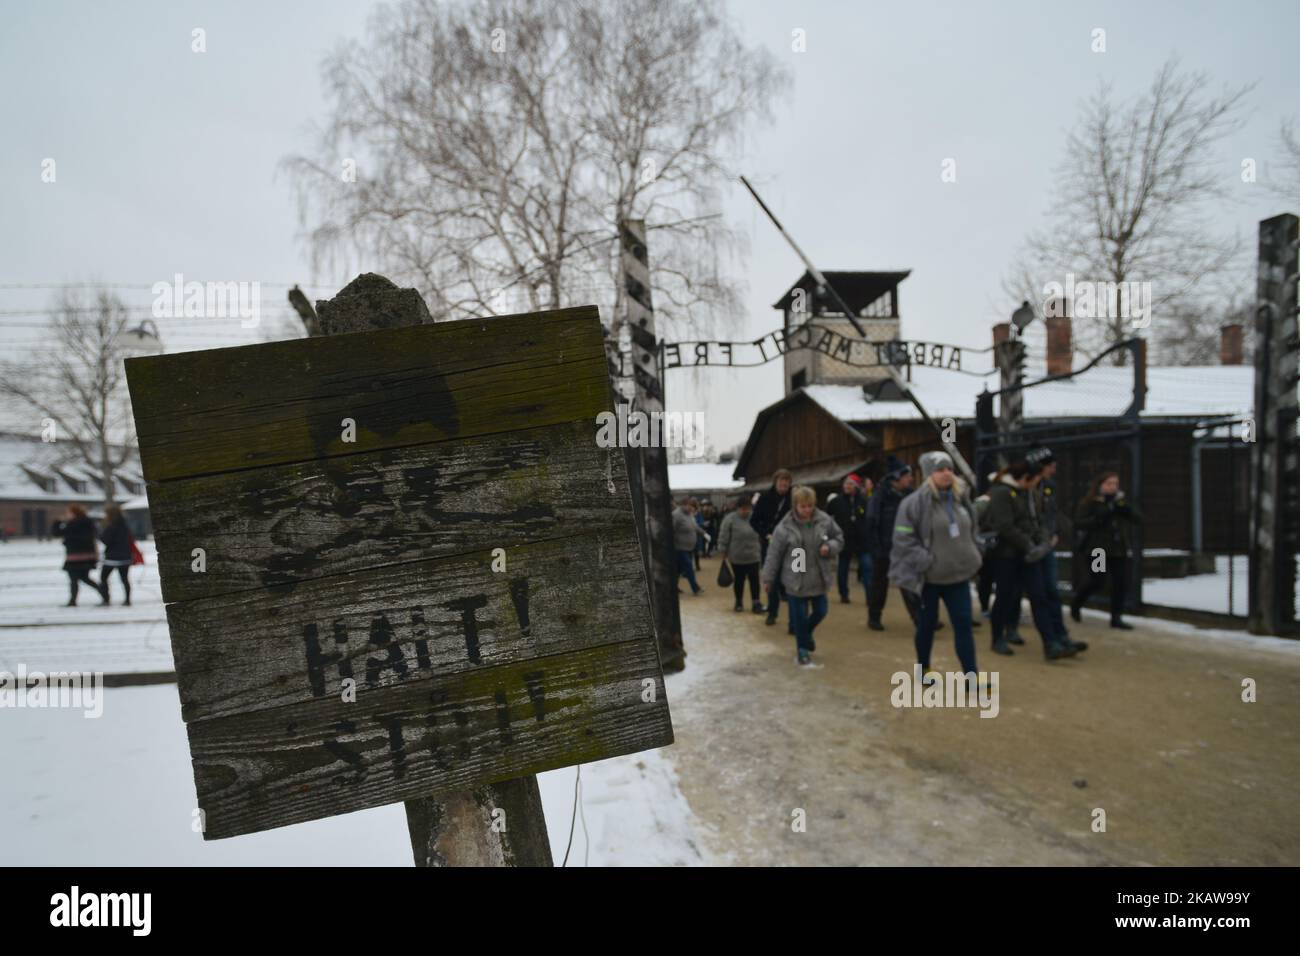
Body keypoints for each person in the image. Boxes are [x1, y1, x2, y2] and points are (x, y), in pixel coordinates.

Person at [889, 451, 984, 683]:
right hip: (928, 580)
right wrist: (926, 561)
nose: (947, 473)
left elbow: (972, 529)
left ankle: (971, 678)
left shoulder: (962, 498)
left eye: (950, 469)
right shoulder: (912, 504)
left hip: (958, 577)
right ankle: (924, 670)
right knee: (926, 626)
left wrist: (975, 551)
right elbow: (903, 539)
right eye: (940, 469)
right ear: (929, 473)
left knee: (963, 626)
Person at [983, 461, 1074, 660]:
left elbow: (1036, 520)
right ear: (1025, 478)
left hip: (1029, 555)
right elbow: (1005, 526)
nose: (1037, 483)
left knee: (1039, 596)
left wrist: (1043, 541)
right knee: (1005, 596)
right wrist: (1029, 544)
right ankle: (997, 637)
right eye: (1034, 480)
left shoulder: (1028, 492)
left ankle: (1051, 643)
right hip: (1006, 555)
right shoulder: (1001, 493)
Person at [761, 485, 844, 667]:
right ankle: (802, 651)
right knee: (798, 617)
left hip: (818, 576)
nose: (807, 510)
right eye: (803, 506)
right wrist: (768, 578)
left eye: (810, 506)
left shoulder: (824, 520)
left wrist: (829, 546)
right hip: (795, 578)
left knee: (821, 611)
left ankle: (805, 636)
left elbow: (839, 538)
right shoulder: (784, 527)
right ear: (795, 506)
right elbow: (773, 554)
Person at [1025, 447, 1084, 651]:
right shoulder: (1023, 486)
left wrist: (1055, 532)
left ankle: (1061, 636)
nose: (1054, 468)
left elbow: (1052, 513)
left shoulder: (1049, 486)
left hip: (1047, 546)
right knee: (1037, 594)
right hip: (1029, 548)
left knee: (1052, 592)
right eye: (1050, 465)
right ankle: (1049, 641)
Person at [1070, 471, 1141, 629]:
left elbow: (1137, 518)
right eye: (1109, 484)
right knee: (1097, 581)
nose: (1112, 487)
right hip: (1098, 549)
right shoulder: (1090, 502)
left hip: (1118, 549)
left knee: (1120, 582)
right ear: (1100, 485)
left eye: (1115, 484)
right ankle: (1077, 602)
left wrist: (1125, 509)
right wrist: (1099, 518)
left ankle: (1116, 618)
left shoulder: (1120, 502)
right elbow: (1079, 522)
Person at [866, 457, 922, 631]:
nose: (910, 479)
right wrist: (876, 548)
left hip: (904, 546)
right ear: (897, 477)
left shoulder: (910, 494)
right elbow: (871, 521)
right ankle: (874, 617)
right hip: (884, 547)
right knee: (879, 584)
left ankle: (921, 619)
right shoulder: (881, 494)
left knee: (909, 582)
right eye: (907, 476)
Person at [751, 469, 793, 628]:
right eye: (781, 481)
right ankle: (772, 612)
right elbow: (754, 521)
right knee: (772, 580)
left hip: (796, 548)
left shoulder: (795, 498)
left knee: (796, 580)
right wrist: (765, 533)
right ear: (775, 482)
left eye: (787, 481)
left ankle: (795, 620)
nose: (784, 484)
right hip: (770, 545)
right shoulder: (764, 498)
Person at [827, 473, 872, 604]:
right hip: (844, 540)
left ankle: (870, 597)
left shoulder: (864, 501)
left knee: (867, 567)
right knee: (843, 569)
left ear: (856, 486)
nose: (847, 486)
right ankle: (844, 594)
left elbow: (869, 518)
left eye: (851, 483)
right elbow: (826, 517)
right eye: (846, 483)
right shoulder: (836, 501)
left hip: (862, 540)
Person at [51, 504, 104, 607]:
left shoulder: (73, 524)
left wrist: (57, 522)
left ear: (74, 513)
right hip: (87, 556)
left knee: (74, 579)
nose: (66, 515)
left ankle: (73, 600)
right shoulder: (87, 522)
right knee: (84, 578)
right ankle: (103, 593)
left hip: (74, 556)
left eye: (68, 513)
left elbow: (57, 533)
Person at [718, 495, 764, 613]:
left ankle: (756, 602)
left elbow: (762, 531)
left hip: (753, 555)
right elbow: (724, 536)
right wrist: (723, 550)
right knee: (739, 580)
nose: (746, 511)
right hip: (737, 556)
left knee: (755, 580)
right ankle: (739, 602)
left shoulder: (755, 517)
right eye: (743, 509)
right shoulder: (730, 519)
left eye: (748, 508)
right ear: (737, 508)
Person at [99, 504, 136, 606]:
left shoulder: (111, 526)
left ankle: (106, 599)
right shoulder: (125, 525)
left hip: (112, 557)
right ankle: (128, 600)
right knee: (124, 579)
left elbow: (105, 540)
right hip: (125, 556)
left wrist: (101, 532)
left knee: (103, 578)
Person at [672, 497, 703, 595]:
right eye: (690, 505)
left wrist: (704, 533)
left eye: (693, 506)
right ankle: (695, 588)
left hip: (689, 547)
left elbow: (695, 526)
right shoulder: (676, 515)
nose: (692, 508)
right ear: (683, 505)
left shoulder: (690, 514)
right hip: (680, 547)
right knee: (689, 567)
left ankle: (673, 587)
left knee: (678, 570)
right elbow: (671, 530)